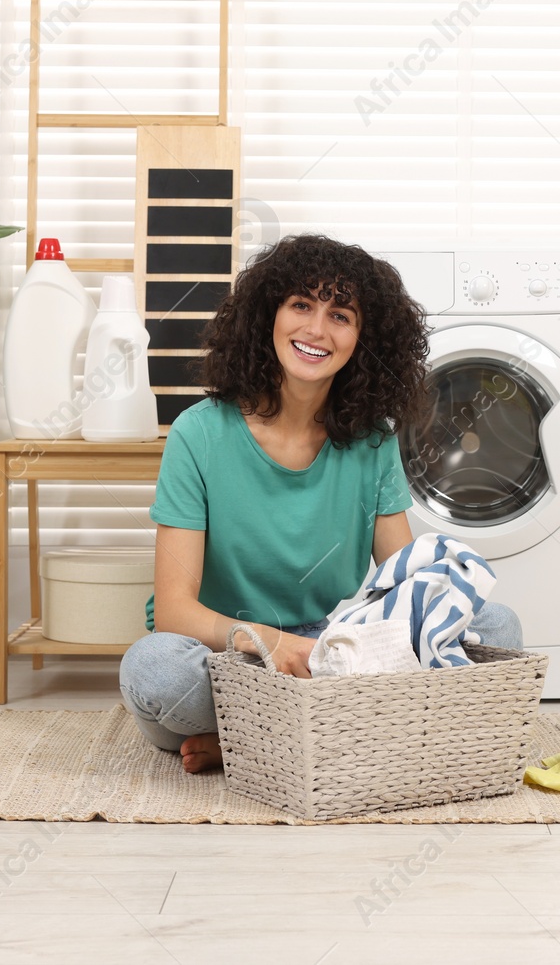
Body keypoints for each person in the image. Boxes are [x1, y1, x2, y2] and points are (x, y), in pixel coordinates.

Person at [119, 233, 524, 772]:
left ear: (363, 339)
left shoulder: (372, 440)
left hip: (328, 650)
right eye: (301, 305)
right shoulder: (199, 433)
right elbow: (173, 611)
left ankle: (256, 743)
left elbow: (404, 583)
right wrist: (273, 644)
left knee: (497, 626)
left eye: (341, 315)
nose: (316, 329)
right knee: (156, 670)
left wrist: (383, 635)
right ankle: (338, 736)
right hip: (226, 655)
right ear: (269, 316)